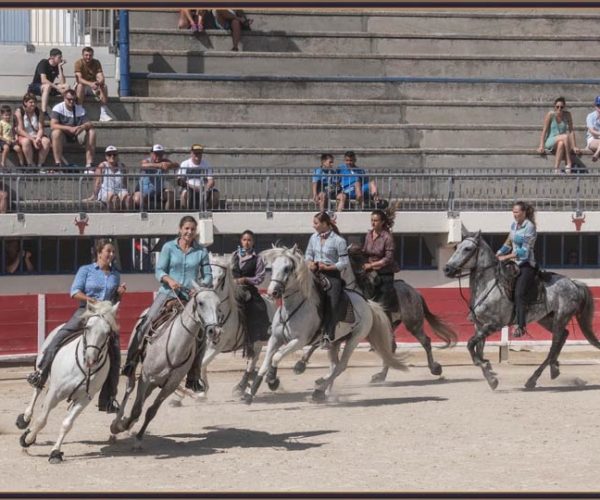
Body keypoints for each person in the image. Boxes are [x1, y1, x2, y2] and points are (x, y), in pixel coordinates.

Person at [27, 239, 126, 413]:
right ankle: (41, 373)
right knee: (61, 335)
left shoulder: (115, 274)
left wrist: (119, 294)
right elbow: (74, 292)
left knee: (115, 354)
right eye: (108, 251)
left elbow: (114, 301)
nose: (111, 254)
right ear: (99, 252)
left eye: (112, 252)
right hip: (86, 311)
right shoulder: (86, 270)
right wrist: (89, 299)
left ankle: (108, 399)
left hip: (104, 316)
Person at [121, 216, 212, 393]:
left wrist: (200, 286)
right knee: (147, 322)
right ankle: (131, 363)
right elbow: (159, 270)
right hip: (167, 294)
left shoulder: (201, 252)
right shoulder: (169, 247)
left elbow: (208, 275)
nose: (189, 232)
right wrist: (169, 280)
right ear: (180, 229)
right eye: (186, 228)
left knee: (201, 335)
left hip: (189, 298)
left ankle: (193, 377)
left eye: (192, 229)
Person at [305, 211, 349, 345]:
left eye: (316, 223)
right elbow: (308, 254)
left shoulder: (339, 241)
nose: (314, 226)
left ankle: (328, 335)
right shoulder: (313, 238)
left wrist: (327, 267)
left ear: (325, 224)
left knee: (333, 303)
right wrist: (310, 263)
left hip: (332, 276)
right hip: (314, 273)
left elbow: (344, 263)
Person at [496, 201, 537, 338]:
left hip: (526, 264)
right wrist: (498, 253)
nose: (514, 214)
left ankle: (521, 325)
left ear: (524, 212)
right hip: (513, 263)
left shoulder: (530, 227)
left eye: (517, 212)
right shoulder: (514, 225)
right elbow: (508, 242)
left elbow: (524, 251)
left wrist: (506, 257)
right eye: (513, 212)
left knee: (519, 293)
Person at [231, 230, 270, 347]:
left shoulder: (258, 259)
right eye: (244, 240)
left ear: (253, 242)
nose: (246, 243)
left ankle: (260, 334)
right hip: (232, 288)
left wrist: (246, 279)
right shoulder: (234, 256)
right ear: (241, 241)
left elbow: (260, 278)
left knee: (260, 306)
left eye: (249, 240)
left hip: (248, 288)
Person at [362, 209, 399, 317]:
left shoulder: (387, 237)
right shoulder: (368, 235)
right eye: (372, 220)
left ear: (382, 222)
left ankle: (388, 319)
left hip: (385, 272)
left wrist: (372, 265)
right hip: (369, 271)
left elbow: (388, 259)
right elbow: (365, 251)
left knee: (384, 300)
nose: (373, 223)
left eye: (376, 220)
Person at [50, 88, 96, 171]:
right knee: (55, 133)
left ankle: (89, 164)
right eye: (69, 99)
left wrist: (82, 127)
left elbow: (90, 124)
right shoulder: (58, 108)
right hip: (63, 135)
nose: (71, 102)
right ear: (64, 98)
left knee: (92, 132)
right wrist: (68, 128)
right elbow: (53, 125)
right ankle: (58, 164)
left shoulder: (79, 109)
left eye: (74, 100)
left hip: (77, 133)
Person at [537, 97, 579, 173]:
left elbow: (571, 130)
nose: (559, 109)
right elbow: (544, 131)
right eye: (557, 107)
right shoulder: (550, 114)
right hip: (551, 140)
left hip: (562, 141)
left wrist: (574, 146)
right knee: (565, 136)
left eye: (561, 107)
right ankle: (569, 162)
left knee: (561, 143)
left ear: (564, 107)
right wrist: (541, 145)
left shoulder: (567, 115)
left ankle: (556, 168)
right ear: (554, 106)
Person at [74, 46, 114, 122]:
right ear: (82, 55)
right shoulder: (78, 63)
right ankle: (79, 111)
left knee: (104, 86)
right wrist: (90, 84)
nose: (88, 57)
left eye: (90, 55)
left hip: (93, 87)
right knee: (80, 85)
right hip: (83, 86)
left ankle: (103, 113)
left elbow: (100, 76)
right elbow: (79, 79)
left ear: (93, 55)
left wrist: (98, 82)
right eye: (86, 55)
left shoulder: (96, 62)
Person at [86, 145, 132, 211]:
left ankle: (128, 216)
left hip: (120, 190)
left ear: (117, 155)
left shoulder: (122, 166)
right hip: (106, 191)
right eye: (109, 154)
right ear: (106, 156)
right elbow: (98, 182)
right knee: (113, 198)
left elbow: (125, 182)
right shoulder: (103, 166)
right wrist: (94, 195)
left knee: (128, 199)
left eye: (114, 154)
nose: (112, 156)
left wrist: (127, 191)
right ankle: (113, 216)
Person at [134, 144, 179, 210]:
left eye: (160, 154)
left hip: (158, 191)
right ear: (151, 154)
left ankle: (167, 213)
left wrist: (169, 165)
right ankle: (146, 214)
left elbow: (177, 165)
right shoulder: (147, 161)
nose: (158, 156)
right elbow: (143, 165)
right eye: (156, 154)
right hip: (143, 191)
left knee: (171, 195)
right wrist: (159, 165)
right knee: (137, 198)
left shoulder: (164, 161)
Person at [14, 93, 51, 170]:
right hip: (24, 135)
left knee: (46, 141)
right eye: (31, 102)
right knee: (26, 142)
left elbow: (41, 128)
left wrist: (38, 137)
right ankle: (30, 164)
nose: (33, 104)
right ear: (25, 102)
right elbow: (20, 130)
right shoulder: (19, 112)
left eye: (34, 102)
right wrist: (32, 139)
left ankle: (40, 165)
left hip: (36, 134)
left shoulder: (39, 112)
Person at [28, 47, 69, 117]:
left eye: (61, 57)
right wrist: (58, 88)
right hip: (36, 87)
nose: (61, 59)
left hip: (49, 87)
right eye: (59, 57)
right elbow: (43, 80)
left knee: (67, 86)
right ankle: (44, 111)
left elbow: (62, 82)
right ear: (52, 57)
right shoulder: (43, 63)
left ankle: (66, 109)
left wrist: (59, 67)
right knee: (47, 86)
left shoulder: (57, 66)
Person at [177, 144, 219, 210]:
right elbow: (180, 180)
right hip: (188, 188)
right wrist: (193, 187)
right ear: (191, 153)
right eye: (195, 153)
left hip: (203, 188)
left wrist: (206, 188)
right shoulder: (185, 163)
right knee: (184, 195)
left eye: (199, 153)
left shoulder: (206, 164)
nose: (197, 155)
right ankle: (185, 212)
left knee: (215, 194)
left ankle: (209, 212)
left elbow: (211, 180)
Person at [0, 105, 25, 169]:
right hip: (3, 140)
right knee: (6, 148)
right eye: (5, 115)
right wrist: (6, 140)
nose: (7, 117)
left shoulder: (11, 123)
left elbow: (13, 131)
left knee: (18, 149)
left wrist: (16, 137)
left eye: (9, 115)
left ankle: (21, 164)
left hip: (11, 140)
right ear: (2, 115)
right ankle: (3, 163)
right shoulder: (1, 123)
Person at [586, 96, 600, 162]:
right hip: (592, 139)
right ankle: (597, 154)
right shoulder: (590, 116)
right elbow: (592, 131)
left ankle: (597, 154)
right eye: (598, 105)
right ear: (595, 105)